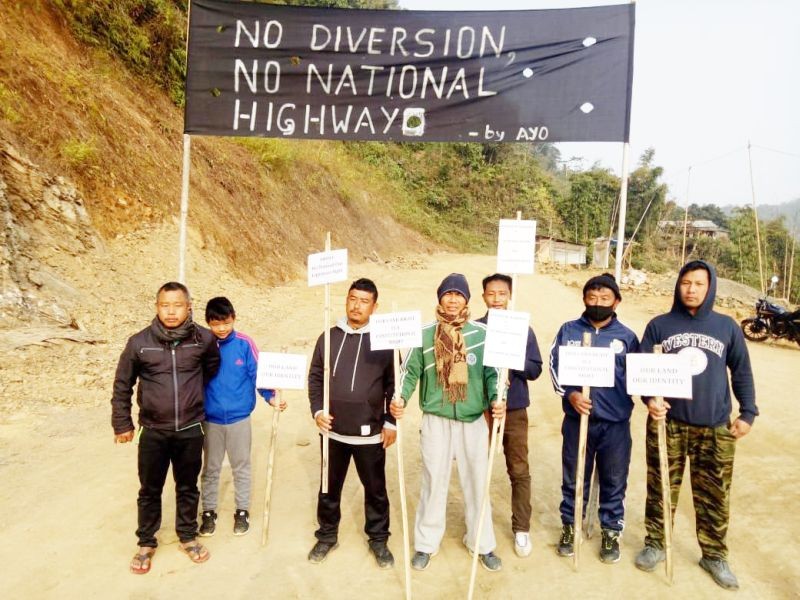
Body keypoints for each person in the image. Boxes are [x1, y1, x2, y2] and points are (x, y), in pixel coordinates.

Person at [634, 260, 757, 591]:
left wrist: (748, 412)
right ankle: (656, 543)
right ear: (678, 285)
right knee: (660, 488)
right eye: (686, 282)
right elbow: (644, 370)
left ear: (710, 287)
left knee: (715, 495)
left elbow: (742, 371)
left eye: (699, 284)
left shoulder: (726, 327)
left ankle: (714, 555)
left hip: (715, 427)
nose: (691, 289)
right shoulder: (660, 325)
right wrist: (650, 400)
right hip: (668, 424)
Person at [391, 273, 506, 572]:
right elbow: (409, 372)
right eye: (448, 294)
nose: (453, 299)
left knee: (477, 481)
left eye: (459, 294)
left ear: (467, 300)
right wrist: (400, 397)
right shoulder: (423, 334)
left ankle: (481, 543)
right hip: (436, 419)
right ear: (440, 298)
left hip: (472, 419)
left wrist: (498, 398)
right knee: (434, 480)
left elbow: (493, 373)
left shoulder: (482, 334)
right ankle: (426, 544)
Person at [111, 281, 220, 574]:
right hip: (153, 430)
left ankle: (187, 536)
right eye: (165, 305)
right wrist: (122, 422)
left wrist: (190, 396)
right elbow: (122, 384)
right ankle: (146, 542)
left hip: (190, 427)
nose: (171, 312)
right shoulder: (139, 342)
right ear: (157, 307)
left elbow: (211, 367)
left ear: (189, 307)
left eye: (177, 305)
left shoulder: (203, 339)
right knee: (150, 489)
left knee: (187, 486)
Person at [548, 273, 639, 564]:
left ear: (616, 302)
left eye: (605, 298)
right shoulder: (568, 330)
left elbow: (640, 376)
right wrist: (571, 394)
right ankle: (570, 525)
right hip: (578, 422)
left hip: (615, 425)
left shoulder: (627, 337)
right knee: (574, 477)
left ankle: (611, 531)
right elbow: (554, 366)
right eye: (592, 297)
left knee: (614, 479)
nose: (598, 302)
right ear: (584, 299)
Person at [307, 278, 396, 568]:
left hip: (370, 433)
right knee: (328, 488)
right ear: (346, 300)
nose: (357, 306)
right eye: (352, 299)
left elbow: (395, 385)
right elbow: (316, 378)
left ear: (374, 306)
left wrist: (390, 422)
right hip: (332, 431)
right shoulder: (329, 337)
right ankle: (326, 535)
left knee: (375, 490)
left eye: (364, 301)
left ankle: (378, 539)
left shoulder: (385, 341)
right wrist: (318, 411)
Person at [198, 296, 286, 538]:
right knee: (210, 467)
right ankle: (208, 512)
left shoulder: (245, 344)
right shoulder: (202, 345)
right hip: (210, 419)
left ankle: (242, 510)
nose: (222, 328)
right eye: (216, 324)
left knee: (241, 466)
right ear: (208, 323)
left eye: (226, 322)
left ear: (234, 318)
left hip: (239, 418)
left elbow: (259, 374)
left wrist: (270, 396)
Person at [477, 273, 543, 557]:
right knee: (478, 467)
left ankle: (521, 529)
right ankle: (478, 525)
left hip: (514, 408)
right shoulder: (475, 329)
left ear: (510, 296)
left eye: (502, 294)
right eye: (491, 294)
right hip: (481, 409)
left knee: (518, 468)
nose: (496, 299)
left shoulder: (523, 329)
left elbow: (535, 369)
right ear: (483, 297)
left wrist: (511, 359)